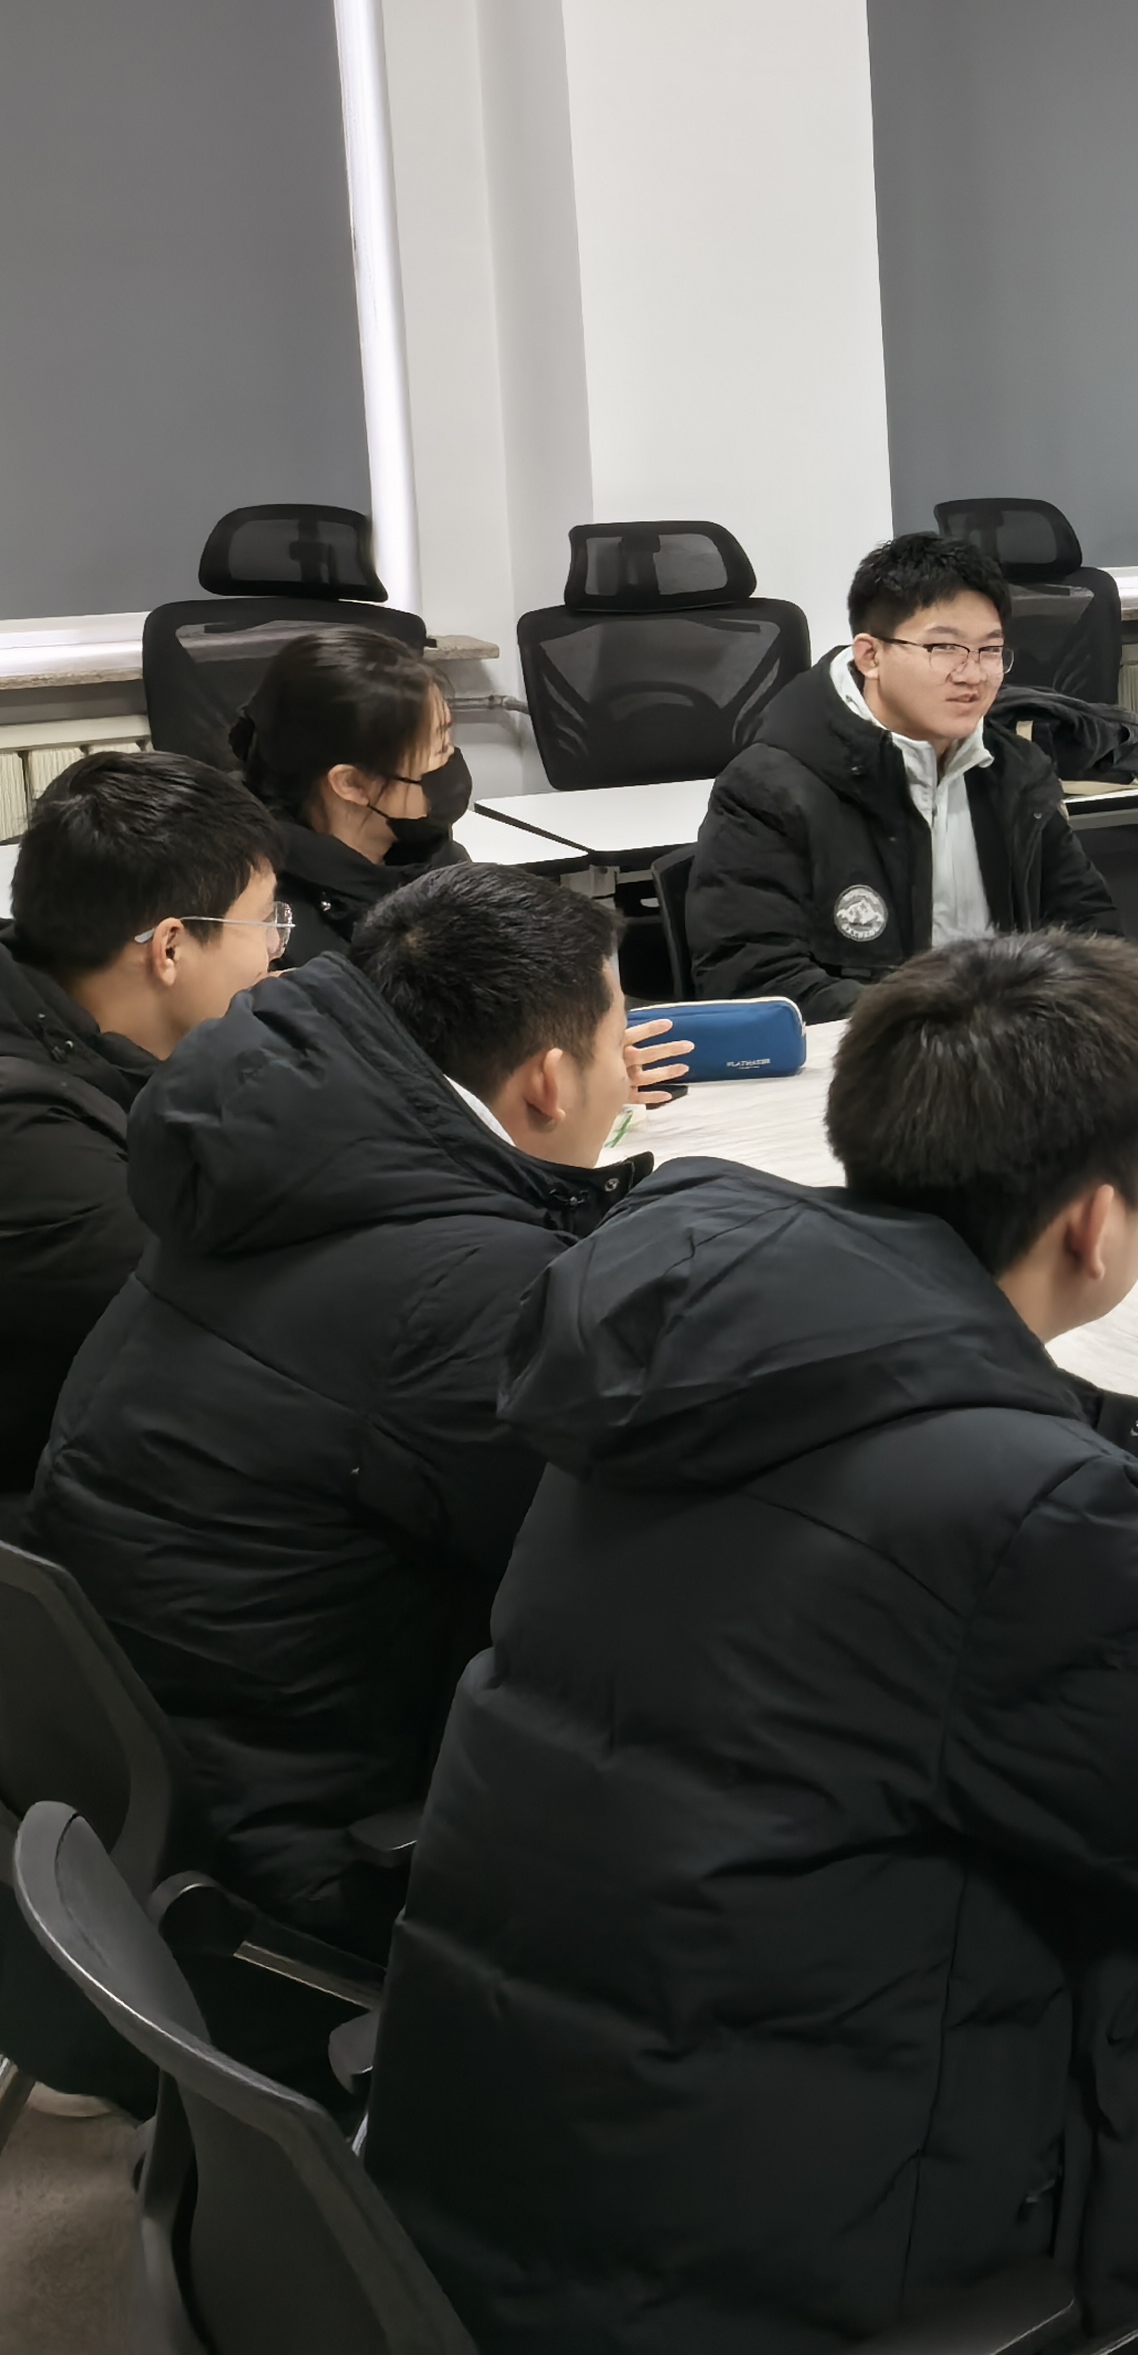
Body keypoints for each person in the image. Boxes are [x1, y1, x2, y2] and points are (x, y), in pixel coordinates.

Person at [367, 933, 1138, 2355]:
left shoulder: (683, 1348)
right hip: (781, 2280)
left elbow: (854, 1574)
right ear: (1096, 1221)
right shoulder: (1023, 1507)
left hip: (529, 2179)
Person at [25, 865, 665, 1949]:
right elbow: (643, 1571)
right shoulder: (463, 1291)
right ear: (549, 1083)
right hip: (329, 1855)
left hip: (169, 1805)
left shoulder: (263, 1170)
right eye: (618, 1045)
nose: (624, 1078)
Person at [0, 751, 284, 1502]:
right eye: (264, 923)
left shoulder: (72, 1024)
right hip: (54, 1507)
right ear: (170, 948)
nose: (273, 952)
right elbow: (234, 1314)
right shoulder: (28, 1141)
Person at [692, 530, 1120, 1019]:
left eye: (990, 650)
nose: (973, 674)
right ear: (870, 656)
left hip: (1010, 1043)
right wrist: (937, 1025)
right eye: (944, 648)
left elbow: (1091, 932)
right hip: (869, 1054)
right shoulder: (768, 790)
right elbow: (753, 980)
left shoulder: (1017, 772)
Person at [229, 624, 471, 964]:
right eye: (439, 748)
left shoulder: (437, 857)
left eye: (448, 741)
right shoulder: (274, 931)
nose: (451, 761)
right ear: (352, 784)